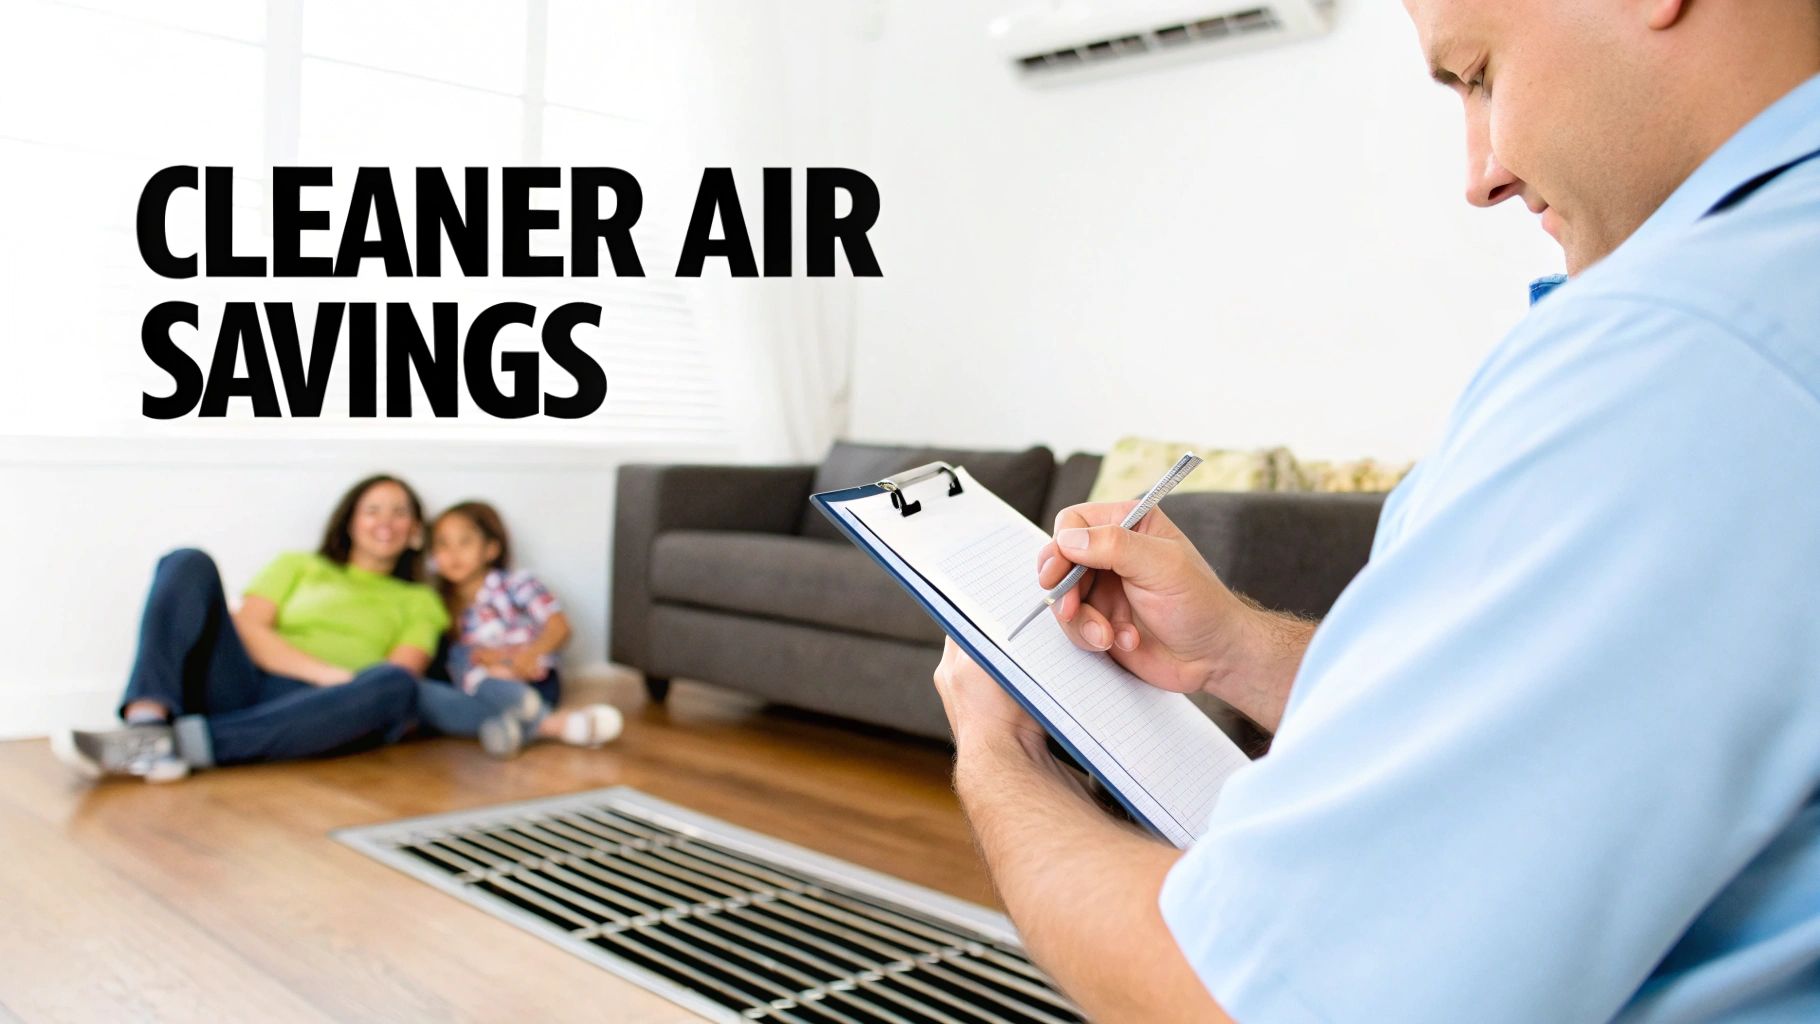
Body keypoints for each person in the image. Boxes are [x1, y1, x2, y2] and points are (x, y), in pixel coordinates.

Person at [931, 2, 1820, 1021]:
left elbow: (1241, 1002)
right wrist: (1231, 650)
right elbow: (1551, 732)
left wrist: (999, 750)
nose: (1479, 172)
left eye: (1478, 75)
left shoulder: (1678, 359)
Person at [56, 475, 448, 782]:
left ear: (415, 529)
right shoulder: (298, 565)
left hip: (320, 712)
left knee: (396, 686)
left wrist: (342, 688)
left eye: (399, 512)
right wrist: (330, 675)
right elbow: (249, 628)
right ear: (349, 522)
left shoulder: (421, 600)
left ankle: (179, 745)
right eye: (373, 510)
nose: (385, 522)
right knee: (187, 561)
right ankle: (147, 725)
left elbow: (401, 672)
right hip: (245, 682)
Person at [417, 501, 622, 758]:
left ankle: (534, 717)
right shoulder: (438, 605)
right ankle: (543, 726)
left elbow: (559, 628)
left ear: (491, 549)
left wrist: (522, 657)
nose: (453, 553)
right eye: (443, 544)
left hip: (530, 680)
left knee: (490, 684)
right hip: (480, 689)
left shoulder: (516, 584)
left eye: (465, 542)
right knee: (425, 693)